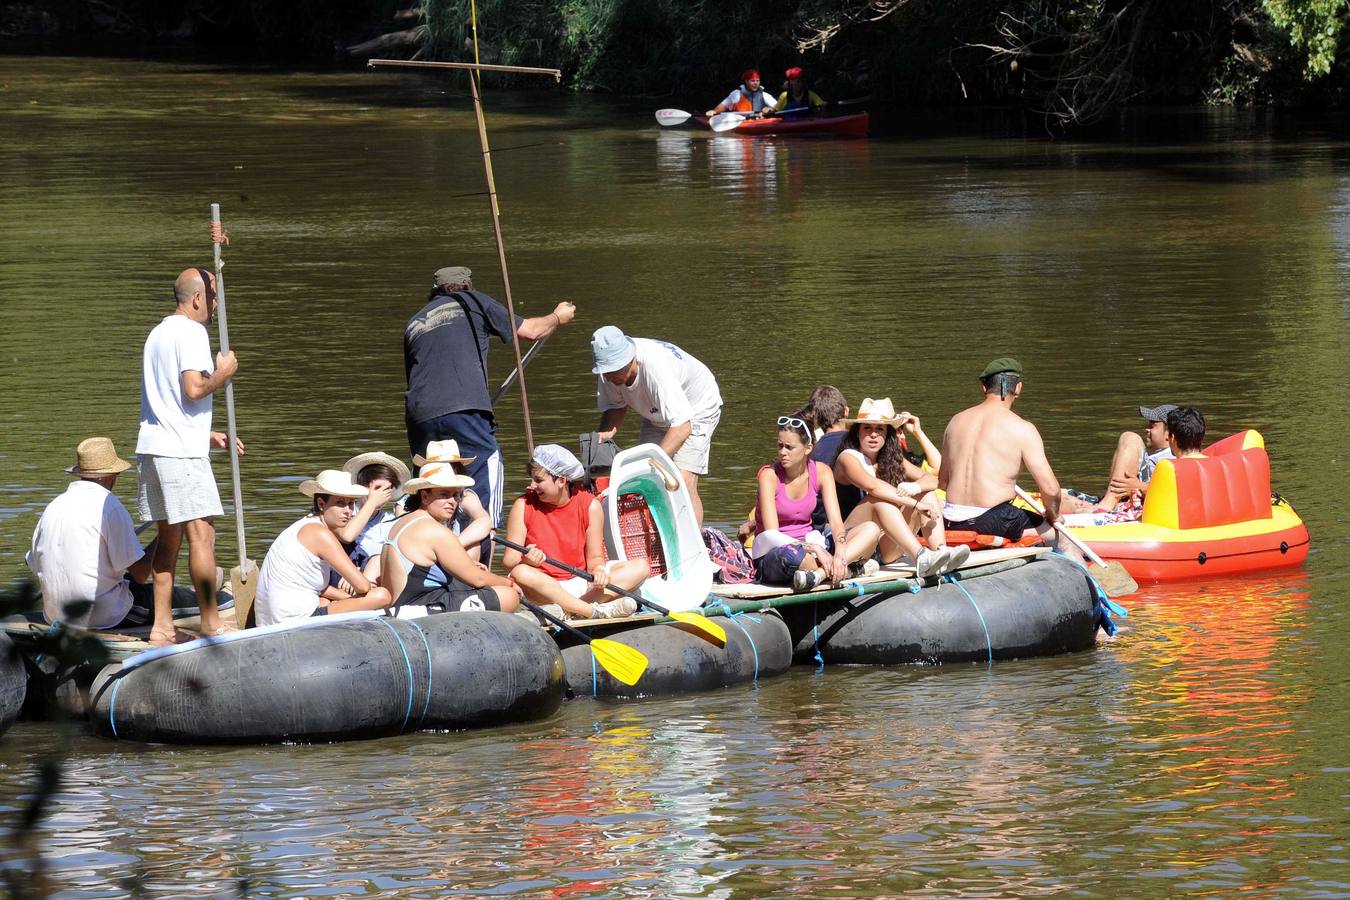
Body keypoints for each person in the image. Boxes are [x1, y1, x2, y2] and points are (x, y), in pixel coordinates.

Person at [403, 265, 576, 526]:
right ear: (468, 285)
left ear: (435, 291)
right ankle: (480, 552)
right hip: (464, 409)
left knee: (433, 484)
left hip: (419, 417)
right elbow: (530, 330)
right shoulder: (473, 300)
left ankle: (428, 549)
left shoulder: (414, 321)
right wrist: (557, 316)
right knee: (484, 483)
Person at [135, 265, 241, 646]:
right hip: (179, 455)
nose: (214, 306)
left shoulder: (157, 333)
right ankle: (211, 622)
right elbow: (194, 389)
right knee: (203, 538)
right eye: (212, 298)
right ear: (196, 299)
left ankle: (162, 626)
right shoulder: (193, 332)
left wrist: (205, 433)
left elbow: (168, 399)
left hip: (154, 448)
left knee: (169, 541)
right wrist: (222, 373)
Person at [26, 437, 195, 630]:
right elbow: (141, 573)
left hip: (54, 614)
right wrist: (167, 534)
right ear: (112, 475)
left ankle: (204, 586)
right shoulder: (110, 506)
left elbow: (33, 563)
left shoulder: (53, 506)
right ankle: (222, 597)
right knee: (175, 597)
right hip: (103, 615)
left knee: (127, 580)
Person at [938, 358, 1078, 556]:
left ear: (984, 387)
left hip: (949, 519)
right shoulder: (1022, 428)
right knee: (1063, 538)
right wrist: (1053, 516)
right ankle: (1089, 583)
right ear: (1018, 388)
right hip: (993, 521)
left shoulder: (955, 421)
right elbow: (1051, 490)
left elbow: (943, 483)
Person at [591, 326, 722, 525]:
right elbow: (616, 408)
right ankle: (660, 542)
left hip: (697, 409)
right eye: (605, 371)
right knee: (649, 483)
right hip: (657, 412)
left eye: (614, 370)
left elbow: (683, 426)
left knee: (681, 484)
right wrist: (599, 445)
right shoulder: (608, 373)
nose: (609, 377)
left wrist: (652, 460)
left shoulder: (656, 369)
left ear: (630, 358)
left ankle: (693, 547)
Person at [503, 445, 647, 620]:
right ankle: (592, 611)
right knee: (521, 573)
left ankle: (571, 611)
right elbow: (510, 562)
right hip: (542, 586)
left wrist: (598, 570)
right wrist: (527, 560)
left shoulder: (590, 505)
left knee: (640, 567)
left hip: (579, 583)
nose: (532, 486)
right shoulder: (523, 505)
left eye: (538, 480)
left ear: (562, 480)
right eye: (532, 479)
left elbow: (594, 558)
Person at [834, 398, 969, 578]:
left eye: (879, 429)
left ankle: (941, 552)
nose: (873, 435)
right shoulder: (847, 458)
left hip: (885, 548)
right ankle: (921, 557)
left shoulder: (891, 460)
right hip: (855, 540)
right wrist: (914, 504)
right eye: (867, 428)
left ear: (887, 434)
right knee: (880, 501)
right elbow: (874, 487)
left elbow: (932, 479)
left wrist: (914, 487)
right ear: (857, 432)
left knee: (926, 493)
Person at [753, 416, 882, 592]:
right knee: (795, 558)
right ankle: (852, 570)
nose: (783, 452)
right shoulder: (769, 476)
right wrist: (815, 549)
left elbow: (837, 523)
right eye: (780, 446)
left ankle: (821, 574)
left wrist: (840, 554)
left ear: (808, 448)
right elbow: (772, 535)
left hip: (814, 545)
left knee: (871, 529)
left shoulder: (822, 471)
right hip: (779, 552)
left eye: (790, 447)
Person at [254, 471, 393, 626]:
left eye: (351, 503)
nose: (348, 510)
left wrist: (347, 597)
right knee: (382, 596)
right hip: (294, 620)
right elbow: (363, 586)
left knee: (327, 600)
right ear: (321, 504)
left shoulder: (305, 525)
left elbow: (322, 586)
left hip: (272, 620)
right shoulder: (319, 533)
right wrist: (363, 591)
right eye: (340, 503)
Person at [381, 462, 520, 614]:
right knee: (508, 596)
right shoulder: (434, 530)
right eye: (444, 494)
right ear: (425, 496)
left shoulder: (404, 521)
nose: (452, 501)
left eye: (455, 495)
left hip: (400, 604)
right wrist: (508, 582)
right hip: (416, 608)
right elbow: (478, 579)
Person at [337, 451, 409, 576]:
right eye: (377, 488)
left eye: (386, 490)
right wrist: (372, 502)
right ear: (361, 487)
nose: (381, 495)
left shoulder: (390, 522)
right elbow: (347, 536)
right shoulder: (342, 512)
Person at [1094, 403, 1178, 509]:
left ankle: (1105, 507)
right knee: (1066, 495)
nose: (1147, 429)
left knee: (1130, 438)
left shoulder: (1171, 456)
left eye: (1152, 425)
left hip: (1143, 503)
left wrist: (1141, 487)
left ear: (1168, 433)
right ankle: (1107, 503)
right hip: (1126, 499)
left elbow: (1174, 490)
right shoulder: (1158, 456)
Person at [706, 69, 777, 117]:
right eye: (752, 81)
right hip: (740, 121)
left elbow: (778, 107)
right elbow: (724, 105)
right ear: (746, 81)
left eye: (757, 81)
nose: (756, 83)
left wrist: (770, 109)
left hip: (759, 121)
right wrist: (714, 111)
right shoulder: (737, 94)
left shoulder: (764, 95)